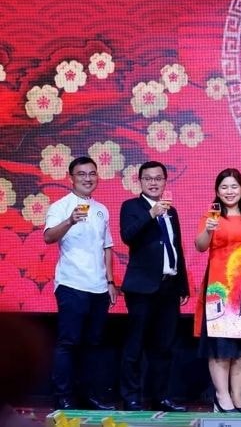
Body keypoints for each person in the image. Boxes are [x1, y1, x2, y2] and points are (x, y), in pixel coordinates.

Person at [43, 156, 117, 410]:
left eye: (92, 173)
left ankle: (91, 396)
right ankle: (63, 397)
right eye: (82, 174)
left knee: (94, 345)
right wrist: (70, 221)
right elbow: (48, 237)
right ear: (71, 178)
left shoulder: (101, 209)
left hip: (99, 287)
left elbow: (107, 247)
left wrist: (110, 281)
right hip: (72, 284)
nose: (88, 178)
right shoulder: (61, 206)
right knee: (68, 343)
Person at [119, 161, 189, 412]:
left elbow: (176, 248)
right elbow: (128, 236)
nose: (153, 182)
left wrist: (183, 285)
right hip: (142, 288)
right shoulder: (131, 206)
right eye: (148, 178)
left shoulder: (171, 211)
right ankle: (131, 397)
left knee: (164, 346)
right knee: (135, 344)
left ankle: (160, 397)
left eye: (158, 178)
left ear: (165, 181)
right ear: (140, 181)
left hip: (169, 287)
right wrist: (151, 214)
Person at [194, 169, 241, 413]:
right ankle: (221, 397)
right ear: (217, 191)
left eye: (234, 186)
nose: (229, 191)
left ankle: (237, 397)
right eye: (224, 187)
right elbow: (200, 246)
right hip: (220, 290)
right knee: (221, 348)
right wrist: (208, 230)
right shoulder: (211, 216)